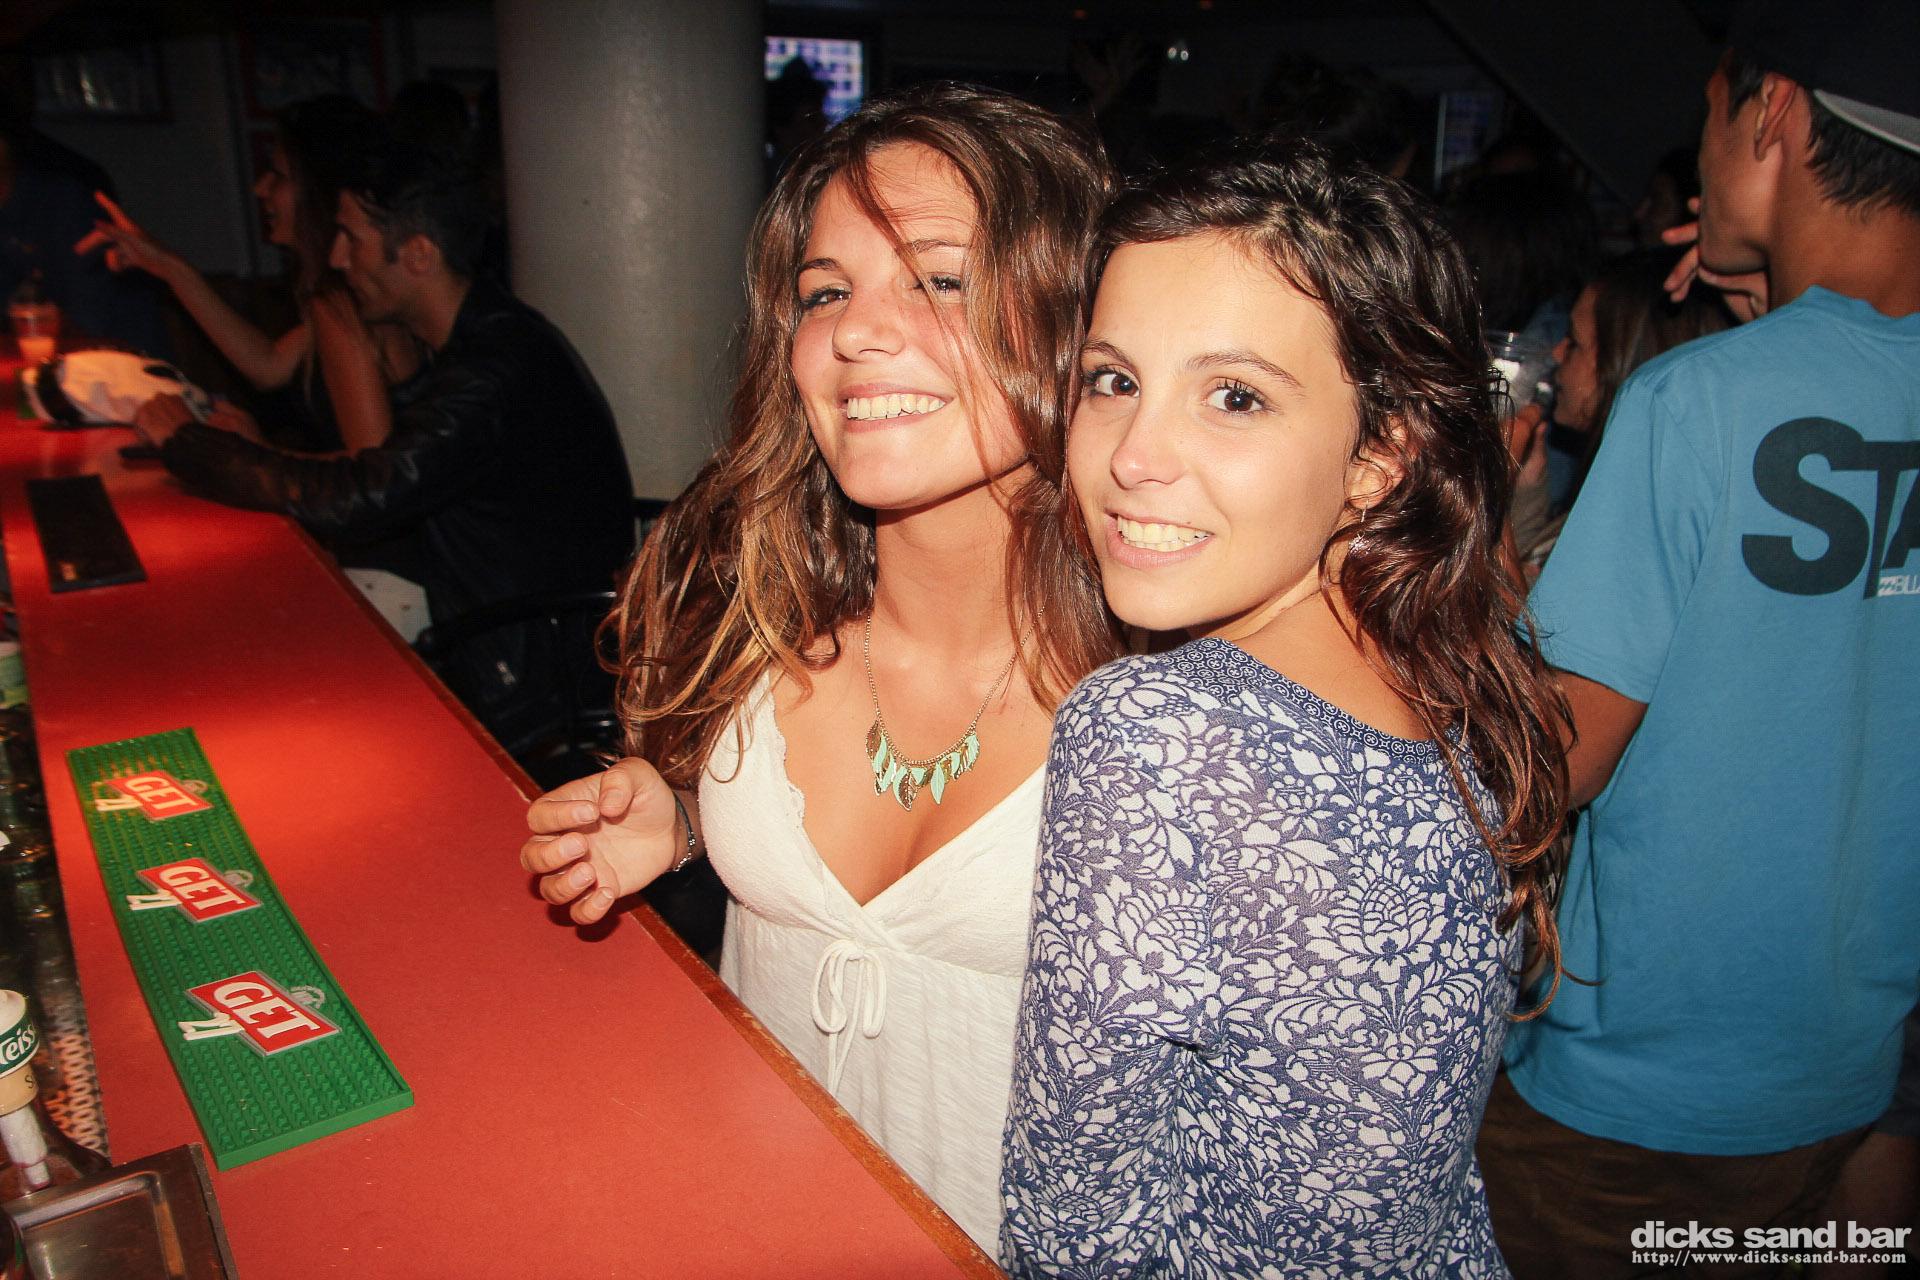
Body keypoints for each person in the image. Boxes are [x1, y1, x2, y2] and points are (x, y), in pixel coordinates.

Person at [517, 84, 1117, 1250]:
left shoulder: (1181, 707)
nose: (853, 332)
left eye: (938, 278)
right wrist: (686, 813)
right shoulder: (757, 619)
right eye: (825, 291)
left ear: (1075, 320)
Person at [999, 138, 1570, 1277]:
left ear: (1379, 457)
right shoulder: (1463, 674)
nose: (1133, 456)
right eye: (1113, 380)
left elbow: (1070, 1235)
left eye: (1235, 396)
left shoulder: (1153, 733)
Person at [1477, 1, 1920, 1274]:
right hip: (1847, 1067)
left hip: (1637, 1093)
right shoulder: (1747, 380)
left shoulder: (1696, 398)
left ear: (1772, 112)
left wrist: (1487, 560)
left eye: (1713, 113)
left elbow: (1555, 758)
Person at [133, 144, 634, 751]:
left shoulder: (490, 369)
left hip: (526, 661)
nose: (337, 257)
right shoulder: (492, 334)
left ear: (418, 255)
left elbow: (361, 498)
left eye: (352, 239)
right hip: (520, 628)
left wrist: (189, 445)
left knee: (253, 667)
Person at [79, 96, 414, 454]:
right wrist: (167, 266)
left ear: (318, 192)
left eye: (278, 176)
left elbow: (371, 470)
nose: (260, 188)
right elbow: (268, 365)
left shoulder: (342, 305)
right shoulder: (342, 294)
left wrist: (257, 453)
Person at [1509, 247, 1734, 575]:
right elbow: (1532, 572)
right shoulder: (1624, 489)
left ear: (1627, 365)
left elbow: (1521, 605)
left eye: (1574, 341)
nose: (1557, 353)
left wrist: (1489, 514)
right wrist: (1526, 490)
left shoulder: (1638, 528)